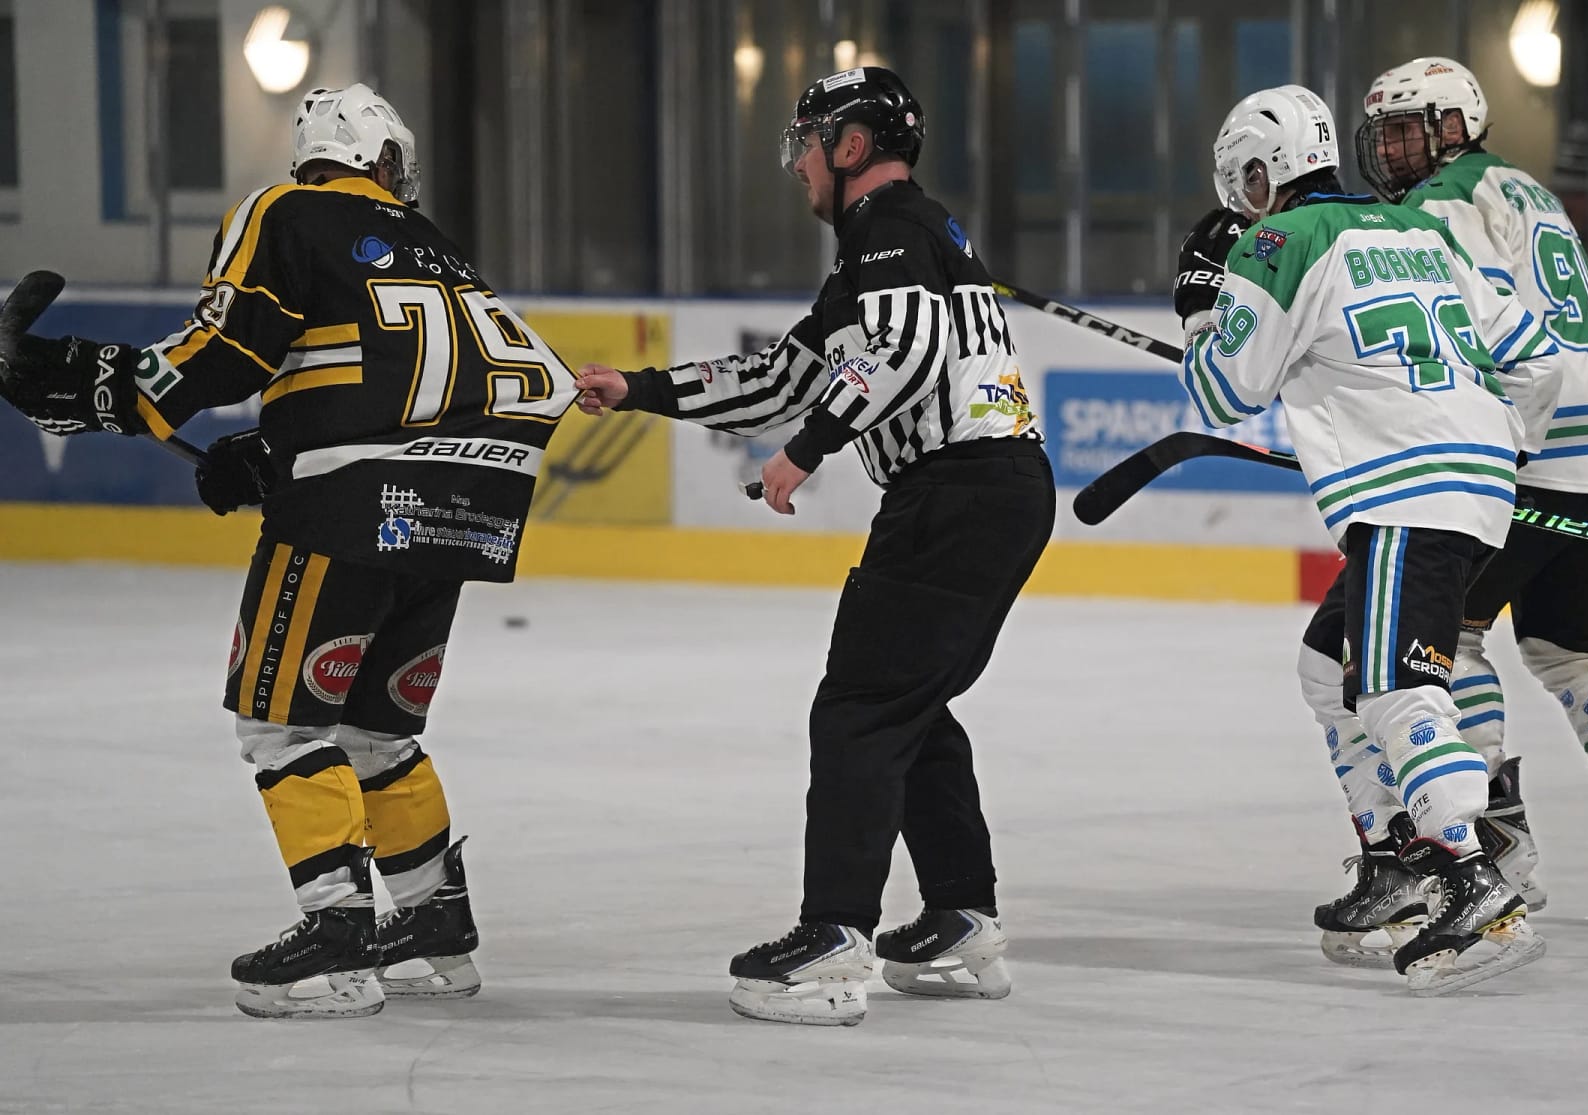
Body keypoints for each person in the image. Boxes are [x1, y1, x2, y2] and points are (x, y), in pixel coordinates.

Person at [0, 84, 575, 1017]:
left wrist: (87, 382)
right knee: (379, 732)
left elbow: (229, 345)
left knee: (281, 725)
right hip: (457, 516)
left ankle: (337, 943)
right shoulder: (442, 251)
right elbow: (428, 380)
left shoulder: (286, 210)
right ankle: (432, 927)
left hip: (346, 515)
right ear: (383, 159)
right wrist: (276, 452)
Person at [572, 66, 1052, 1027]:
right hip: (994, 491)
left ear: (852, 146)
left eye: (808, 143)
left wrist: (806, 451)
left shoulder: (890, 229)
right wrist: (638, 389)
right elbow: (779, 376)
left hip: (957, 492)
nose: (797, 165)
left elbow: (904, 351)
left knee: (859, 707)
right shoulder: (891, 245)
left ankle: (834, 936)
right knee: (907, 702)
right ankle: (960, 915)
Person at [1172, 84, 1564, 994]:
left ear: (1265, 173)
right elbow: (1537, 358)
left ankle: (1473, 879)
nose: (1243, 202)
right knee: (1327, 666)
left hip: (1402, 497)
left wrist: (1200, 307)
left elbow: (1225, 391)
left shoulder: (1280, 241)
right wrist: (1494, 447)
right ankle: (1395, 857)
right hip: (1469, 492)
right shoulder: (1423, 230)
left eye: (1244, 183)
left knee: (1393, 690)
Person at [1353, 57, 1588, 933]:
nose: (1390, 151)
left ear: (1453, 127)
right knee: (1579, 651)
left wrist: (1472, 442)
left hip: (1537, 442)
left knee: (1443, 636)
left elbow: (1483, 325)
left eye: (1405, 131)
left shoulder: (1443, 201)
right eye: (1383, 135)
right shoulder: (1527, 191)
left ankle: (1494, 837)